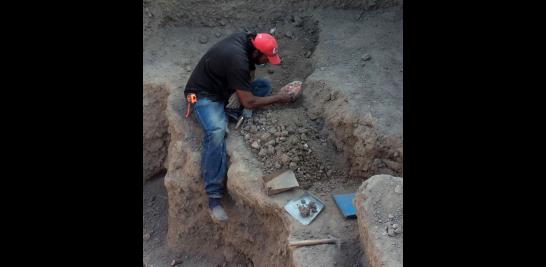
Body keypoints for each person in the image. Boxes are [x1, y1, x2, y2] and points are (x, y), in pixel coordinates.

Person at [184, 31, 294, 222]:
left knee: (263, 86)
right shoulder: (237, 61)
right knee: (217, 132)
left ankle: (228, 111)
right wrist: (280, 99)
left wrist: (241, 90)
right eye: (265, 59)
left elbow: (249, 74)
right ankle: (214, 198)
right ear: (255, 52)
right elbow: (250, 102)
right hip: (203, 95)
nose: (267, 62)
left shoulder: (247, 40)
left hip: (224, 86)